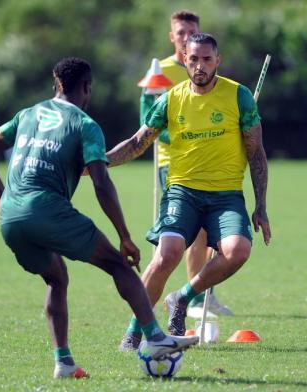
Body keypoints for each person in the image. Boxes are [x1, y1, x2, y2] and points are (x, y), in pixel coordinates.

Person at [0, 57, 198, 379]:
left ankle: (63, 363)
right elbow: (101, 183)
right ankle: (156, 338)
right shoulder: (85, 124)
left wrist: (1, 194)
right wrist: (124, 235)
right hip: (46, 209)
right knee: (119, 264)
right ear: (87, 88)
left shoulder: (27, 114)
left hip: (10, 218)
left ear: (56, 84)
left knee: (56, 278)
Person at [107, 33, 271, 349]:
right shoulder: (171, 99)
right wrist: (100, 162)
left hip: (226, 195)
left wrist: (260, 205)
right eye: (193, 59)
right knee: (166, 255)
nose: (199, 65)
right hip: (182, 192)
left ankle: (182, 298)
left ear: (217, 60)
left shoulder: (239, 96)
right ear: (184, 59)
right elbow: (137, 142)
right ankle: (135, 330)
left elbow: (256, 152)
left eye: (207, 59)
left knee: (238, 251)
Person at [140, 10, 232, 318]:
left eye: (189, 32)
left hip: (210, 162)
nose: (183, 38)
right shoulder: (161, 71)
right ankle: (192, 299)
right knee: (195, 235)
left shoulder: (206, 65)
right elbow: (148, 119)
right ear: (172, 37)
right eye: (179, 33)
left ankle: (201, 292)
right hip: (173, 162)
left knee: (209, 234)